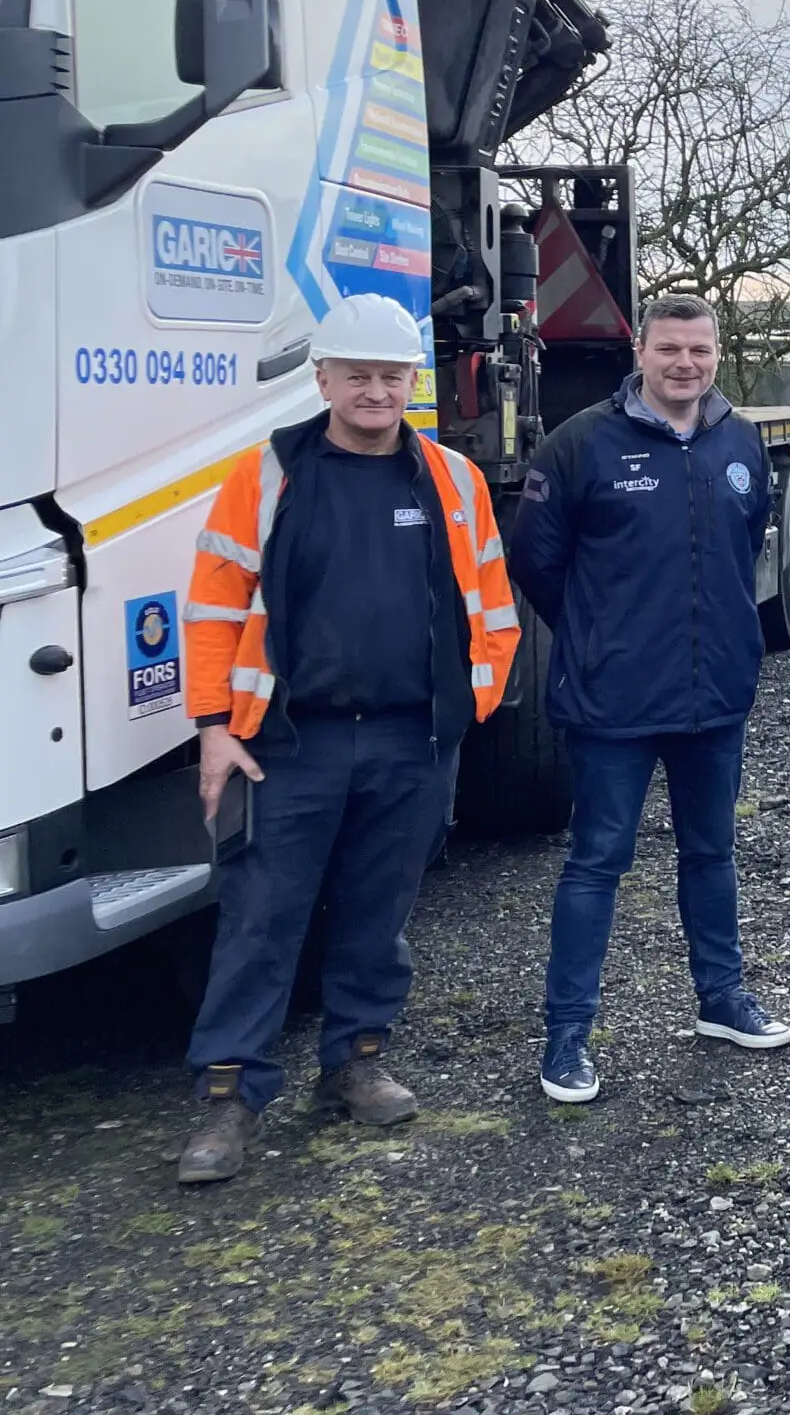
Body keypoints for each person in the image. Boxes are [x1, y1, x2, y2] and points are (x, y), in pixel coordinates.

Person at [176, 292, 520, 1183]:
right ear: (322, 377)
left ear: (413, 381)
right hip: (289, 744)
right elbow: (212, 610)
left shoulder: (452, 480)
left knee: (379, 916)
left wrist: (469, 712)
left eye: (391, 375)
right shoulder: (267, 477)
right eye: (357, 374)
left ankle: (355, 1062)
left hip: (411, 743)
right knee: (261, 923)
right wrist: (215, 728)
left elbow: (493, 604)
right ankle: (229, 1100)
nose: (375, 390)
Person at [512, 292, 789, 1105]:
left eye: (700, 351)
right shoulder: (579, 447)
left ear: (715, 353)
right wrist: (597, 636)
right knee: (597, 862)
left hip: (715, 698)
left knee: (712, 853)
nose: (685, 365)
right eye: (669, 350)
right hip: (614, 704)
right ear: (640, 350)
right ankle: (567, 1037)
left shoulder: (739, 441)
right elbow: (536, 562)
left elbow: (746, 542)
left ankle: (722, 1000)